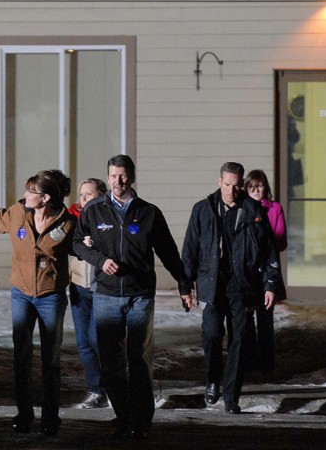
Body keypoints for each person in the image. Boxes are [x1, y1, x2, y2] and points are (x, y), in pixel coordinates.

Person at [73, 154, 194, 440]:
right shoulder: (94, 211)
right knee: (110, 360)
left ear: (132, 176)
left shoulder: (149, 212)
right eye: (113, 176)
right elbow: (77, 243)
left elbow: (168, 252)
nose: (118, 181)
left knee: (138, 357)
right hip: (106, 294)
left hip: (140, 295)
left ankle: (141, 419)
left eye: (123, 175)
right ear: (108, 177)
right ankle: (124, 416)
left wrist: (184, 284)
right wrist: (100, 260)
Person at [0, 170, 75, 438]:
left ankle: (50, 418)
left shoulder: (67, 223)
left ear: (45, 198)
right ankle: (24, 414)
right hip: (21, 294)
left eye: (30, 192)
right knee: (21, 355)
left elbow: (81, 247)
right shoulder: (18, 213)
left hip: (50, 296)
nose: (24, 196)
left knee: (50, 359)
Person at [182, 162, 283, 414]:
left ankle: (231, 396)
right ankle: (213, 379)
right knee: (212, 333)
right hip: (212, 284)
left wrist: (270, 284)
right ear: (219, 182)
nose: (231, 190)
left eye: (236, 185)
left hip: (243, 285)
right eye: (227, 184)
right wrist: (186, 285)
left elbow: (268, 250)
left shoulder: (253, 211)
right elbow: (190, 250)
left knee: (239, 339)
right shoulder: (203, 210)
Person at [66, 178, 109, 409]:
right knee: (83, 342)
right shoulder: (72, 219)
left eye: (89, 194)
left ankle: (114, 386)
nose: (83, 199)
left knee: (97, 339)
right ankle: (96, 390)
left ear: (101, 195)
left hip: (102, 287)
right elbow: (65, 244)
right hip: (79, 286)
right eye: (81, 194)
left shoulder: (108, 217)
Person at [243, 169, 288, 373]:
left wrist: (263, 242)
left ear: (266, 187)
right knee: (246, 316)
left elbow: (279, 238)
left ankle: (267, 363)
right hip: (248, 270)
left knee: (266, 317)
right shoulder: (242, 209)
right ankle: (251, 360)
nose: (256, 190)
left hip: (267, 269)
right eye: (251, 186)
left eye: (259, 186)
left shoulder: (274, 208)